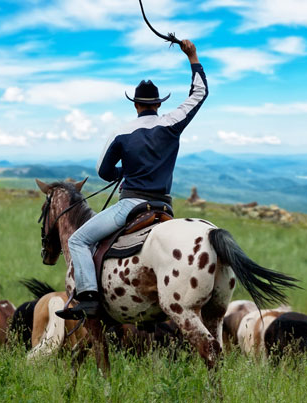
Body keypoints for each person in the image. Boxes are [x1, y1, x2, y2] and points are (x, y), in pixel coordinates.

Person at [56, 39, 207, 320]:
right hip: (164, 208)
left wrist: (121, 173)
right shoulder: (172, 122)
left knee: (78, 240)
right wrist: (192, 56)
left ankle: (88, 299)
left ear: (136, 105)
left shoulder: (122, 133)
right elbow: (200, 93)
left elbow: (103, 170)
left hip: (131, 206)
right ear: (159, 104)